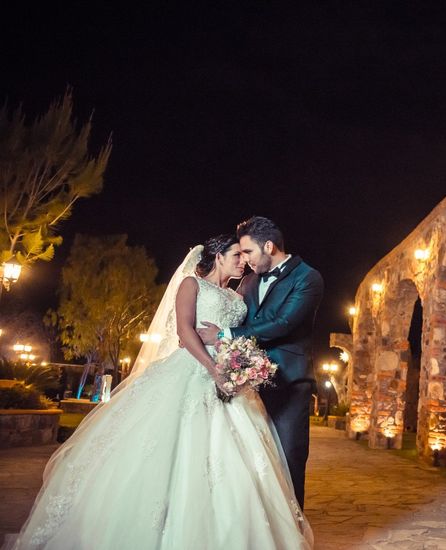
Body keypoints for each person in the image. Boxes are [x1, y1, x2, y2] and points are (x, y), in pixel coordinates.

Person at [4, 236, 314, 550]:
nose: (242, 261)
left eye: (243, 256)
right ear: (218, 256)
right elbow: (184, 331)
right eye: (236, 254)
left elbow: (238, 334)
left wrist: (238, 362)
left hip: (230, 378)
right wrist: (212, 367)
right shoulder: (191, 285)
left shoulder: (236, 295)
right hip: (194, 369)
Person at [197, 216, 323, 505]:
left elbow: (284, 323)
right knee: (250, 461)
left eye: (249, 252)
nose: (245, 260)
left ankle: (293, 535)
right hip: (246, 384)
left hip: (289, 383)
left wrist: (224, 334)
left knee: (289, 459)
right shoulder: (250, 280)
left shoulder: (308, 277)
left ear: (268, 246)